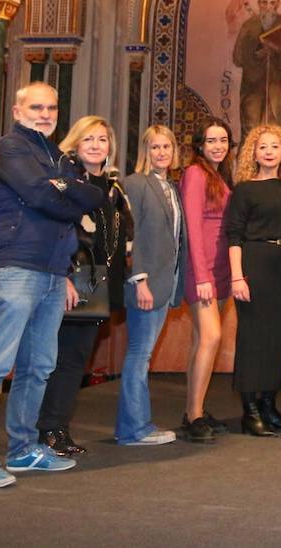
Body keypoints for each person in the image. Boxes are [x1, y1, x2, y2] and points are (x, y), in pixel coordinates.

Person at [0, 81, 102, 488]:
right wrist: (69, 191)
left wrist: (70, 189)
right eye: (36, 107)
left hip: (54, 273)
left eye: (52, 107)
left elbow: (88, 194)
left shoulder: (56, 154)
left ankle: (22, 450)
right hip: (16, 268)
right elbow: (42, 196)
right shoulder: (10, 147)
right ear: (19, 111)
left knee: (39, 367)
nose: (45, 113)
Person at [37, 116, 133, 458]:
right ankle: (49, 429)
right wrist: (62, 276)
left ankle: (56, 427)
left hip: (99, 280)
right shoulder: (68, 183)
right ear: (75, 144)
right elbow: (57, 231)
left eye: (102, 139)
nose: (96, 145)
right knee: (62, 357)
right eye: (88, 139)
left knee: (77, 358)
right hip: (74, 277)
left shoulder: (111, 188)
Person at [226, 123, 281, 437]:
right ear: (253, 153)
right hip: (253, 266)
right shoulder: (244, 189)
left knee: (280, 338)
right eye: (263, 146)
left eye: (275, 146)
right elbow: (234, 237)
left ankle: (269, 405)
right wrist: (237, 277)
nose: (269, 152)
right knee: (253, 340)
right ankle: (250, 410)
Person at [118, 125, 186, 447]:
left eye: (167, 147)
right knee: (139, 355)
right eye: (155, 147)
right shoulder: (135, 184)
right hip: (144, 284)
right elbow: (132, 237)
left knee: (142, 356)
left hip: (165, 283)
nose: (162, 153)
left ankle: (136, 425)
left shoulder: (171, 187)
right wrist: (139, 280)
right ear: (146, 151)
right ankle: (134, 429)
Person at [178, 117, 234, 443]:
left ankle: (194, 409)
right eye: (212, 140)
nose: (218, 146)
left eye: (223, 140)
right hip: (202, 272)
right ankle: (194, 415)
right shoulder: (195, 174)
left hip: (222, 269)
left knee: (203, 341)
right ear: (200, 144)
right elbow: (193, 227)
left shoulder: (219, 175)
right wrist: (201, 276)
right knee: (211, 337)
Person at [232, 0, 281, 136]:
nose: (268, 7)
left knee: (275, 129)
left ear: (277, 4)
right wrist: (256, 54)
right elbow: (237, 57)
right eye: (264, 3)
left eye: (272, 3)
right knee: (250, 128)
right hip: (252, 88)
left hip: (276, 87)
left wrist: (276, 52)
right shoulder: (248, 26)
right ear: (258, 4)